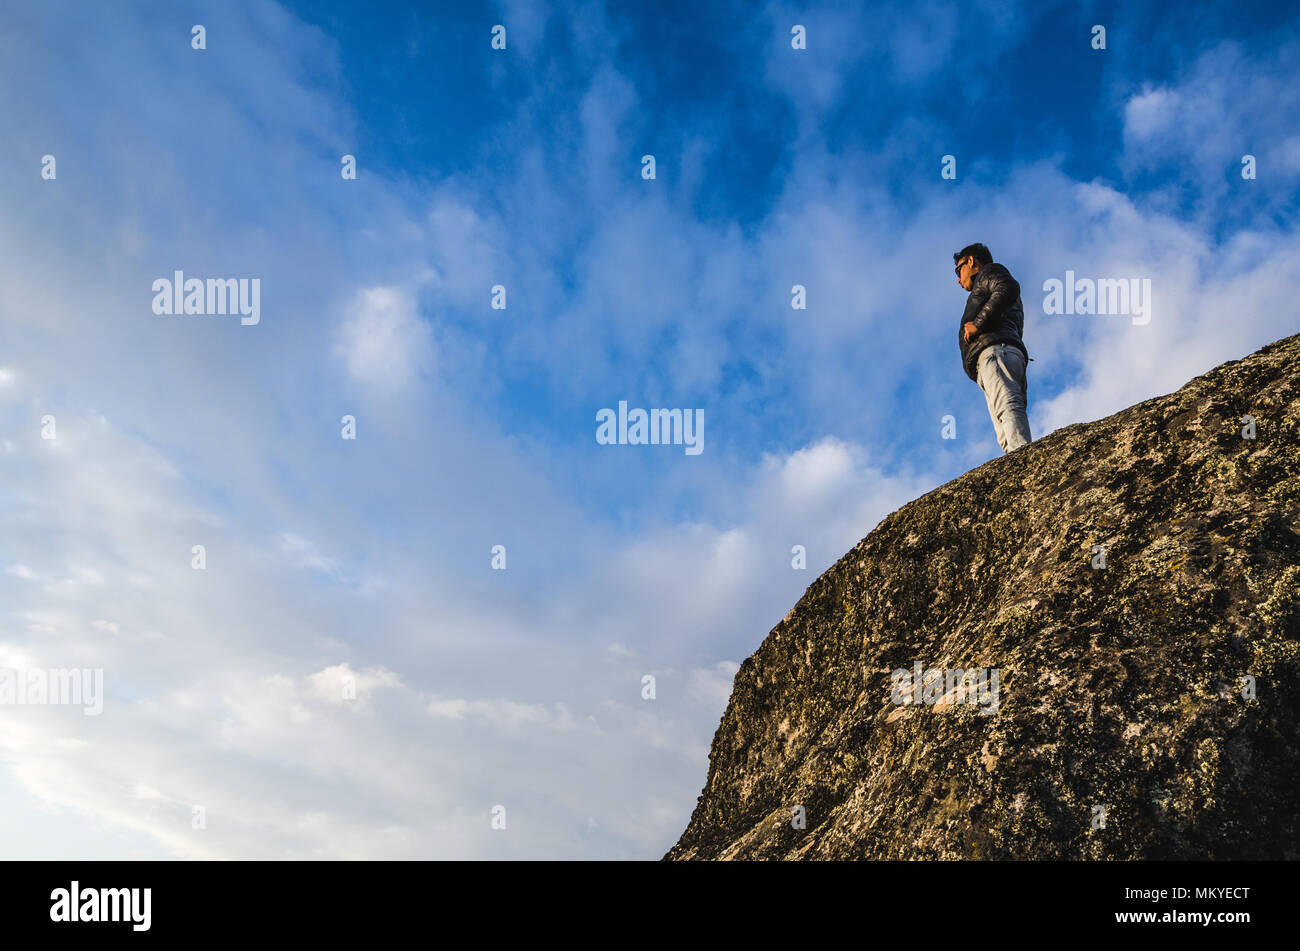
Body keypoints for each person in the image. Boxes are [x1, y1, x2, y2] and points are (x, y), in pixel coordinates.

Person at [954, 243, 1032, 453]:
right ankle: (1015, 463)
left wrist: (978, 324)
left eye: (958, 270)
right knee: (1002, 415)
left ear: (971, 261)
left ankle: (1023, 458)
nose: (958, 279)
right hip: (997, 354)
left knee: (1007, 405)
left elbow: (1007, 287)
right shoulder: (987, 282)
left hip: (996, 352)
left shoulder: (990, 272)